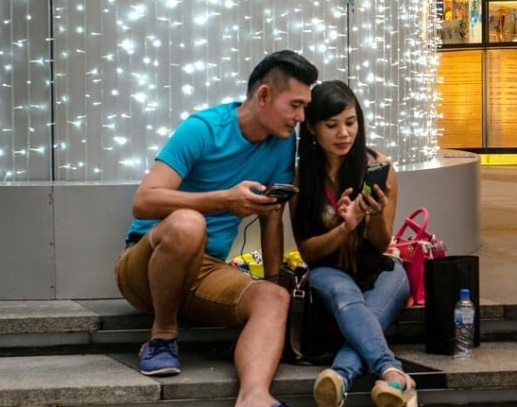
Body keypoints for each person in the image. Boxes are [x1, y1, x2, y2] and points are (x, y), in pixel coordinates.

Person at [115, 50, 319, 407]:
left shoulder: (284, 143)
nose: (301, 117)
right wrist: (223, 200)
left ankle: (254, 396)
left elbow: (272, 216)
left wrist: (273, 287)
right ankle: (162, 336)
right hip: (147, 265)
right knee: (188, 224)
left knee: (274, 297)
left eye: (305, 107)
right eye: (295, 105)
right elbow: (144, 201)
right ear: (265, 95)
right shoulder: (203, 129)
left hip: (207, 270)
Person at [291, 81, 415, 407]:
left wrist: (371, 218)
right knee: (348, 297)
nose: (344, 133)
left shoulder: (379, 167)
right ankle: (392, 373)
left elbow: (381, 243)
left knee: (369, 308)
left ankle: (340, 377)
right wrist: (344, 228)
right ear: (313, 128)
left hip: (380, 266)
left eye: (350, 122)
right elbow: (308, 251)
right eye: (332, 125)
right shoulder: (303, 178)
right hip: (328, 270)